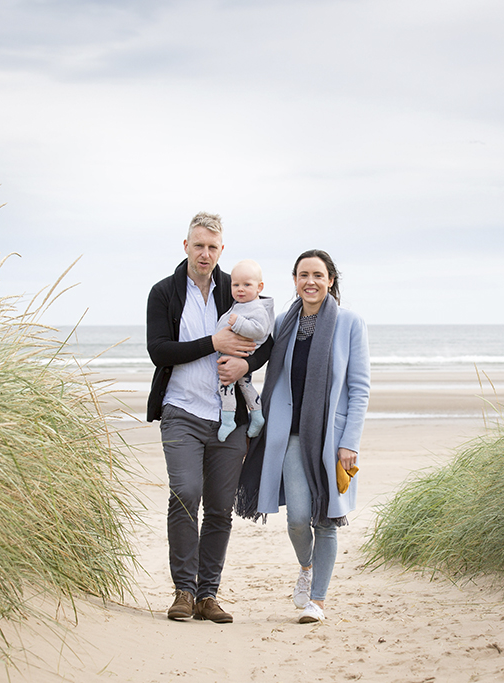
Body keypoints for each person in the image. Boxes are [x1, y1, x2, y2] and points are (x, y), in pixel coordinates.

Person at [146, 212, 272, 624]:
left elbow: (265, 338)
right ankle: (183, 591)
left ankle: (207, 595)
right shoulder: (164, 292)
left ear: (222, 250)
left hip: (228, 418)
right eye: (198, 245)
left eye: (212, 247)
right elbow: (159, 351)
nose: (205, 253)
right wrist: (212, 343)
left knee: (219, 507)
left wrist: (244, 368)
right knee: (185, 493)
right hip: (180, 410)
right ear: (186, 246)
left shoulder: (232, 291)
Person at [236, 249, 370, 624]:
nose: (310, 281)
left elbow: (359, 388)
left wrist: (350, 442)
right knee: (297, 518)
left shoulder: (349, 323)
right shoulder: (283, 323)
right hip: (291, 435)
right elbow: (256, 352)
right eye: (302, 275)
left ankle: (319, 601)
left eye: (318, 275)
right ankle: (306, 568)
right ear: (294, 281)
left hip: (330, 438)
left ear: (331, 280)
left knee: (325, 519)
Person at [215, 259, 275, 442]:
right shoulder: (241, 304)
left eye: (247, 285)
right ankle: (257, 417)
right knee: (245, 386)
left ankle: (228, 420)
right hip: (236, 355)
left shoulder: (257, 308)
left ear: (260, 287)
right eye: (236, 285)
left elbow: (260, 330)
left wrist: (238, 323)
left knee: (225, 386)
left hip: (238, 356)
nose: (240, 289)